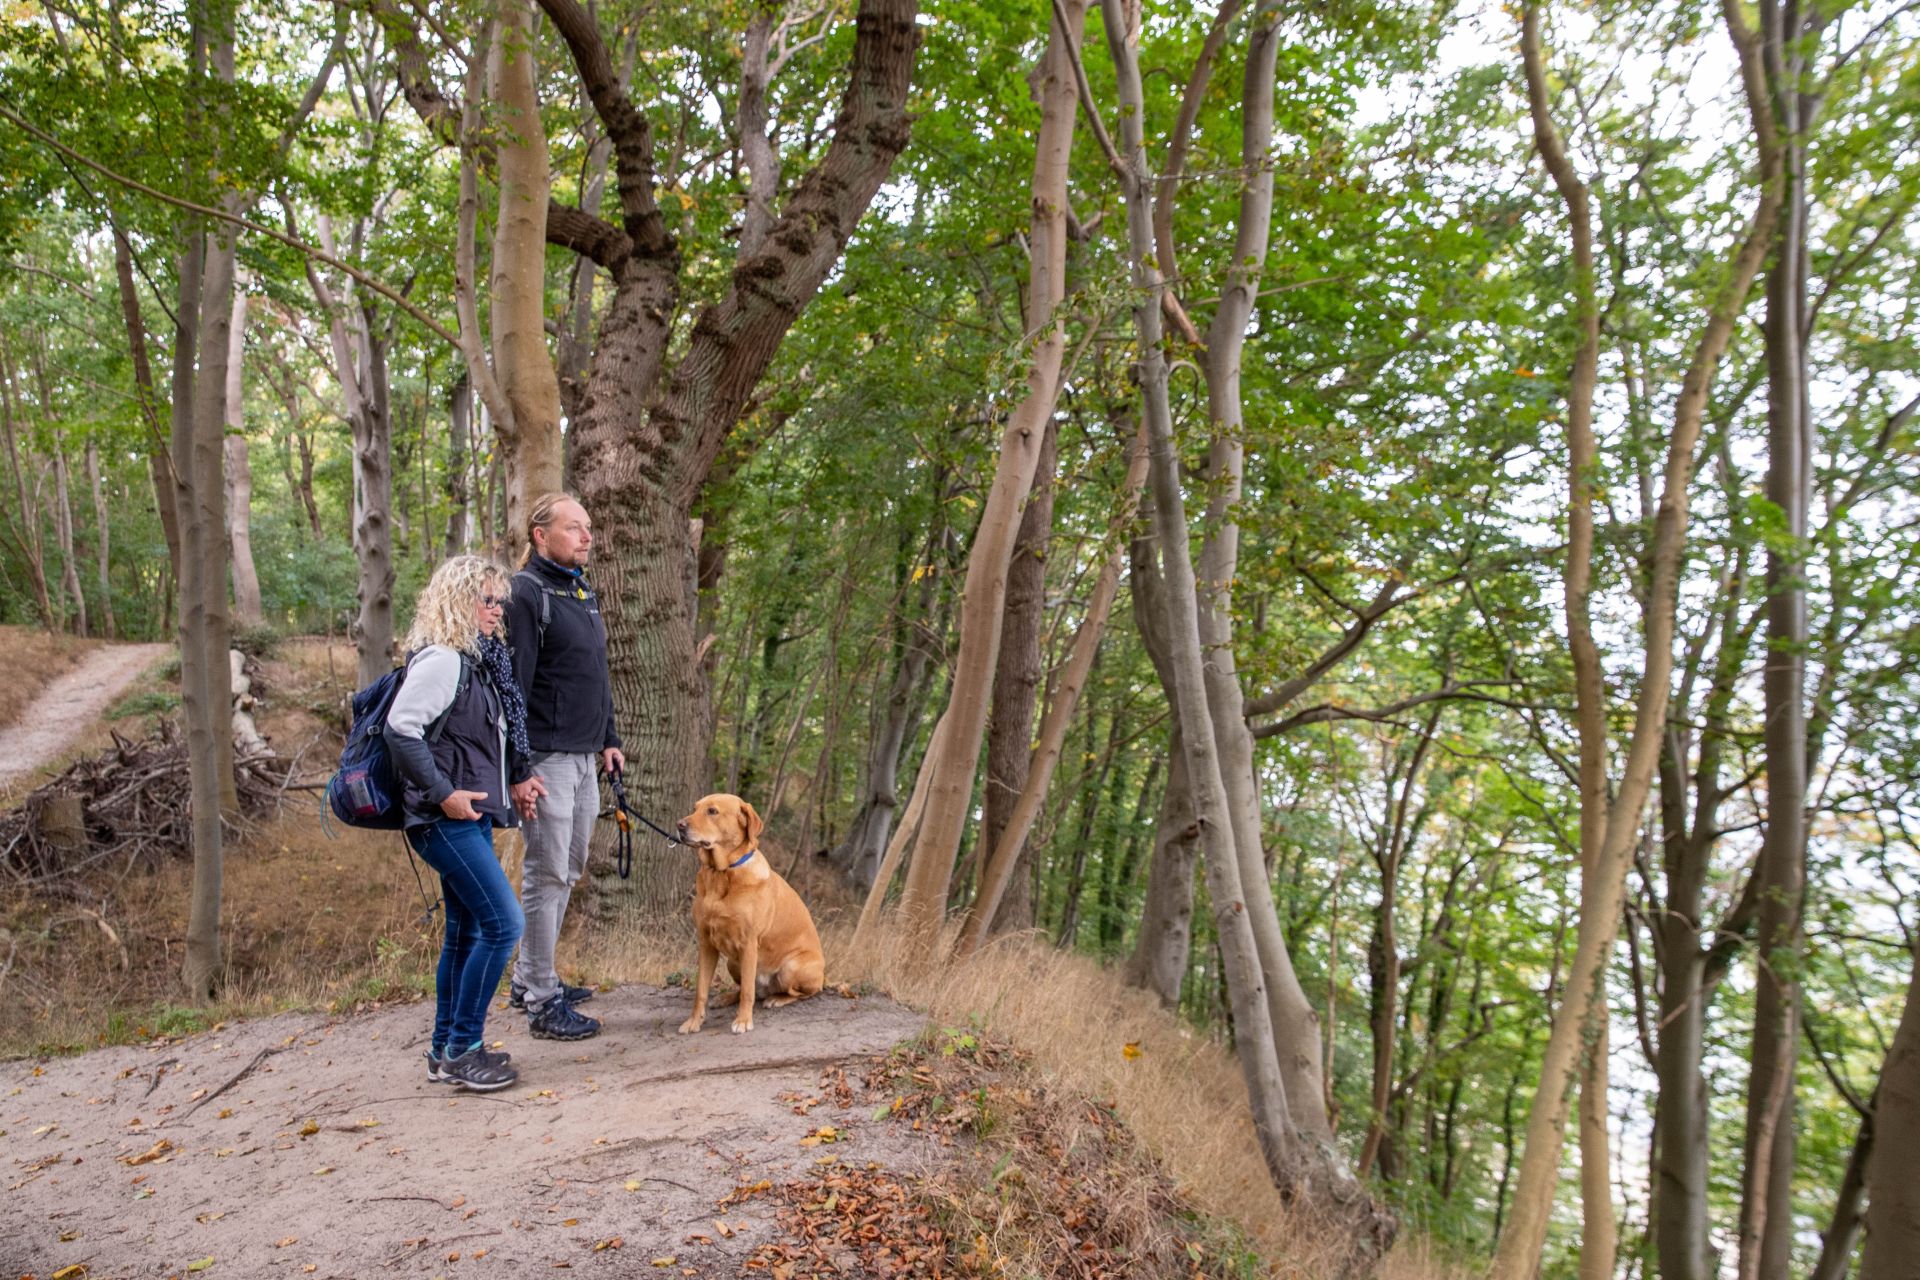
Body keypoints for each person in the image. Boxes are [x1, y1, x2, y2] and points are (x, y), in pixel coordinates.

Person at [387, 555, 544, 1091]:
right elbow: (401, 730)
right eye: (487, 600)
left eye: (501, 600)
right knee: (504, 924)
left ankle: (443, 1050)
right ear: (458, 602)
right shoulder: (443, 661)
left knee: (466, 932)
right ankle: (464, 1049)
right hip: (442, 818)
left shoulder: (476, 662)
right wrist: (444, 794)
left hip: (465, 815)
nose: (497, 610)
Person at [503, 493, 625, 1041]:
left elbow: (596, 673)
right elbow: (514, 688)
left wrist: (609, 738)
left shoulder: (580, 590)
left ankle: (530, 975)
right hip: (546, 758)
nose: (586, 536)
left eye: (588, 527)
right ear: (540, 535)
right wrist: (519, 768)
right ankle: (540, 998)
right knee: (546, 872)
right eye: (574, 528)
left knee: (569, 868)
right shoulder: (526, 593)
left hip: (584, 756)